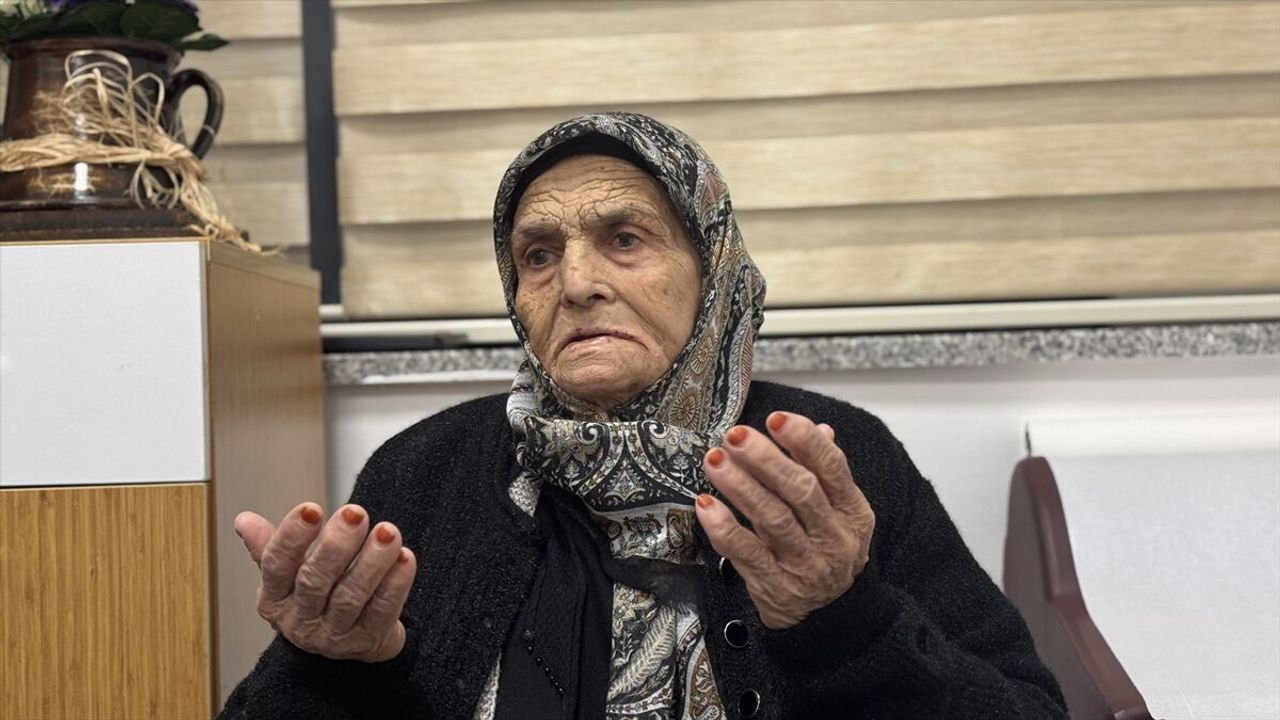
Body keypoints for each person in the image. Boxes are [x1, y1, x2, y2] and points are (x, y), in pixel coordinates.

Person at [220, 112, 1067, 720]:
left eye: (625, 240)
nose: (577, 284)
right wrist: (331, 666)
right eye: (538, 255)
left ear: (713, 269)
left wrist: (845, 621)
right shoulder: (425, 471)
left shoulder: (825, 464)